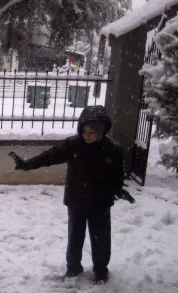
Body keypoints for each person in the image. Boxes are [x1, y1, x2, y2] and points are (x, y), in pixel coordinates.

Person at [10, 105, 134, 283]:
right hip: (76, 200)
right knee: (75, 237)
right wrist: (28, 164)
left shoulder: (113, 149)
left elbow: (116, 175)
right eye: (84, 131)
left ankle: (101, 270)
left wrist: (118, 190)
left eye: (91, 132)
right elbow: (50, 156)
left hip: (100, 203)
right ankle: (73, 268)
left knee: (100, 239)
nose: (86, 135)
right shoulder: (73, 144)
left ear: (101, 131)